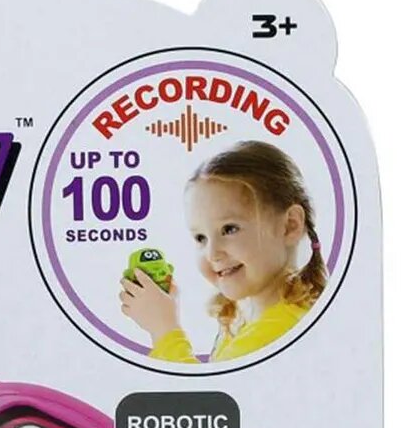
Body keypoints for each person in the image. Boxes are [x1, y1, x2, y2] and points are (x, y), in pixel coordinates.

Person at [120, 141, 326, 364]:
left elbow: (198, 388)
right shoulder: (257, 320)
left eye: (229, 229)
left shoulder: (275, 333)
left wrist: (163, 330)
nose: (212, 254)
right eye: (201, 238)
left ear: (290, 226)